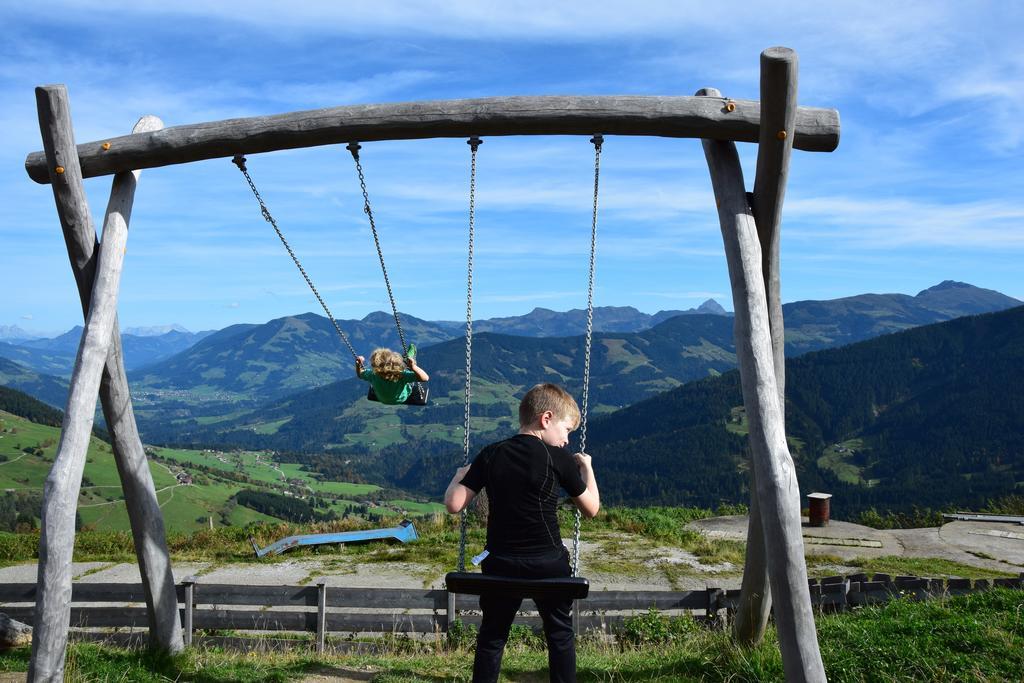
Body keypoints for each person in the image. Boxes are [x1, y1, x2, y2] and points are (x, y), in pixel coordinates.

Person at [444, 382, 600, 683]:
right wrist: (587, 470)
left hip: (501, 563)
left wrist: (458, 477)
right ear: (546, 419)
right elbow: (591, 509)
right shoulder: (559, 459)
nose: (566, 440)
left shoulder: (491, 453)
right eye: (566, 430)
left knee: (493, 634)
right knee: (560, 634)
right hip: (548, 565)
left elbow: (454, 504)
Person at [355, 345, 429, 405]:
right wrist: (413, 367)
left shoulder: (373, 374)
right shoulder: (402, 375)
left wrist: (358, 365)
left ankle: (405, 360)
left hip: (382, 399)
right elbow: (425, 378)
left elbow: (360, 374)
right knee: (407, 370)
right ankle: (406, 360)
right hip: (401, 398)